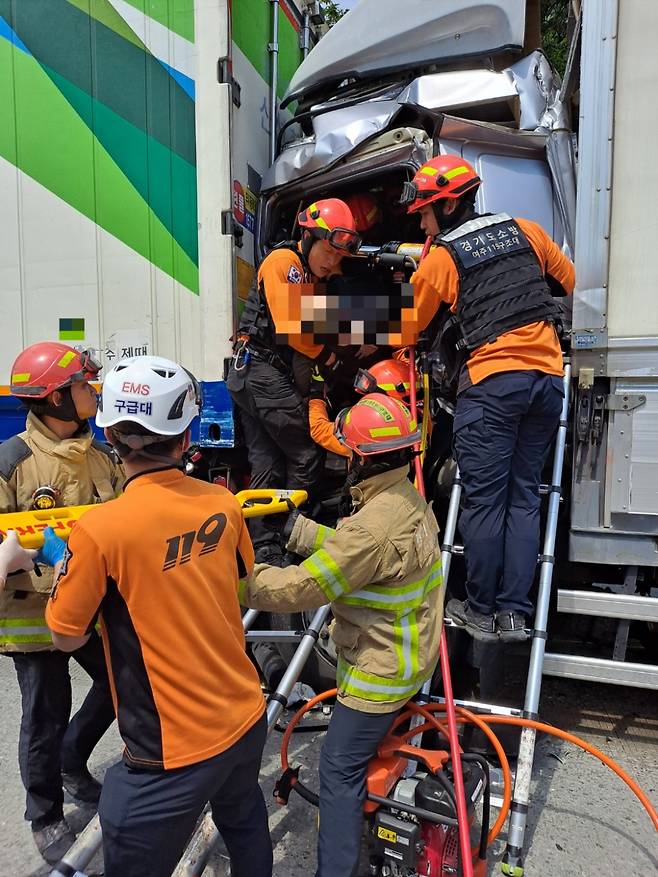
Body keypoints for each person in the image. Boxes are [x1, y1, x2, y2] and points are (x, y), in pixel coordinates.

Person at [44, 355, 272, 877]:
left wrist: (64, 563)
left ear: (111, 437)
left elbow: (63, 634)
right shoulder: (222, 502)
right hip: (242, 714)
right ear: (186, 432)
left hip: (169, 754)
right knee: (245, 827)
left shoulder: (102, 530)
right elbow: (239, 581)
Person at [240, 393, 444, 877]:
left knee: (337, 769)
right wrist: (298, 530)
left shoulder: (372, 526)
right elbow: (362, 554)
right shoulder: (406, 500)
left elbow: (304, 586)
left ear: (359, 458)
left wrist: (236, 583)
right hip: (408, 655)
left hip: (379, 674)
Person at [400, 154, 575, 641]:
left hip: (493, 385)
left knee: (484, 502)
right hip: (546, 381)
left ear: (451, 204)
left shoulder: (442, 255)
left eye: (426, 211)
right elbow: (571, 283)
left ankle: (480, 608)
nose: (422, 220)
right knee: (524, 497)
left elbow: (408, 326)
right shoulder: (527, 230)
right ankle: (514, 614)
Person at [0, 342, 121, 865]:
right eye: (81, 385)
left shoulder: (102, 457)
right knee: (44, 716)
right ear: (54, 399)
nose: (90, 390)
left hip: (92, 609)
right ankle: (44, 816)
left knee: (121, 683)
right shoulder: (12, 462)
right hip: (34, 617)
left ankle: (73, 762)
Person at [227, 197, 361, 566]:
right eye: (328, 251)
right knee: (305, 451)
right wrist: (329, 358)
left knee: (266, 463)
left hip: (255, 372)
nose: (332, 262)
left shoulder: (308, 276)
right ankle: (290, 531)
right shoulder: (284, 263)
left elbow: (314, 323)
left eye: (339, 256)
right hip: (259, 371)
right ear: (308, 235)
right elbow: (293, 327)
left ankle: (264, 547)